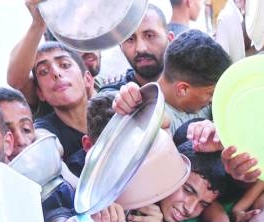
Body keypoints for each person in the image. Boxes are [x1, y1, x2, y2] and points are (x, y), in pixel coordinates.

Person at [114, 30, 232, 134]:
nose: (213, 100)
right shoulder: (152, 119)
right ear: (183, 89)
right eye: (210, 94)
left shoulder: (203, 103)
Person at [31, 43, 94, 176]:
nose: (56, 73)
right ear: (40, 93)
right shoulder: (45, 129)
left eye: (65, 65)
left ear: (87, 79)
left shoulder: (112, 105)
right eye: (44, 71)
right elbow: (41, 138)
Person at [100, 5, 175, 92]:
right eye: (130, 39)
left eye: (149, 35)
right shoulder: (111, 98)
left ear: (170, 39)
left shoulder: (192, 86)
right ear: (121, 47)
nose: (140, 48)